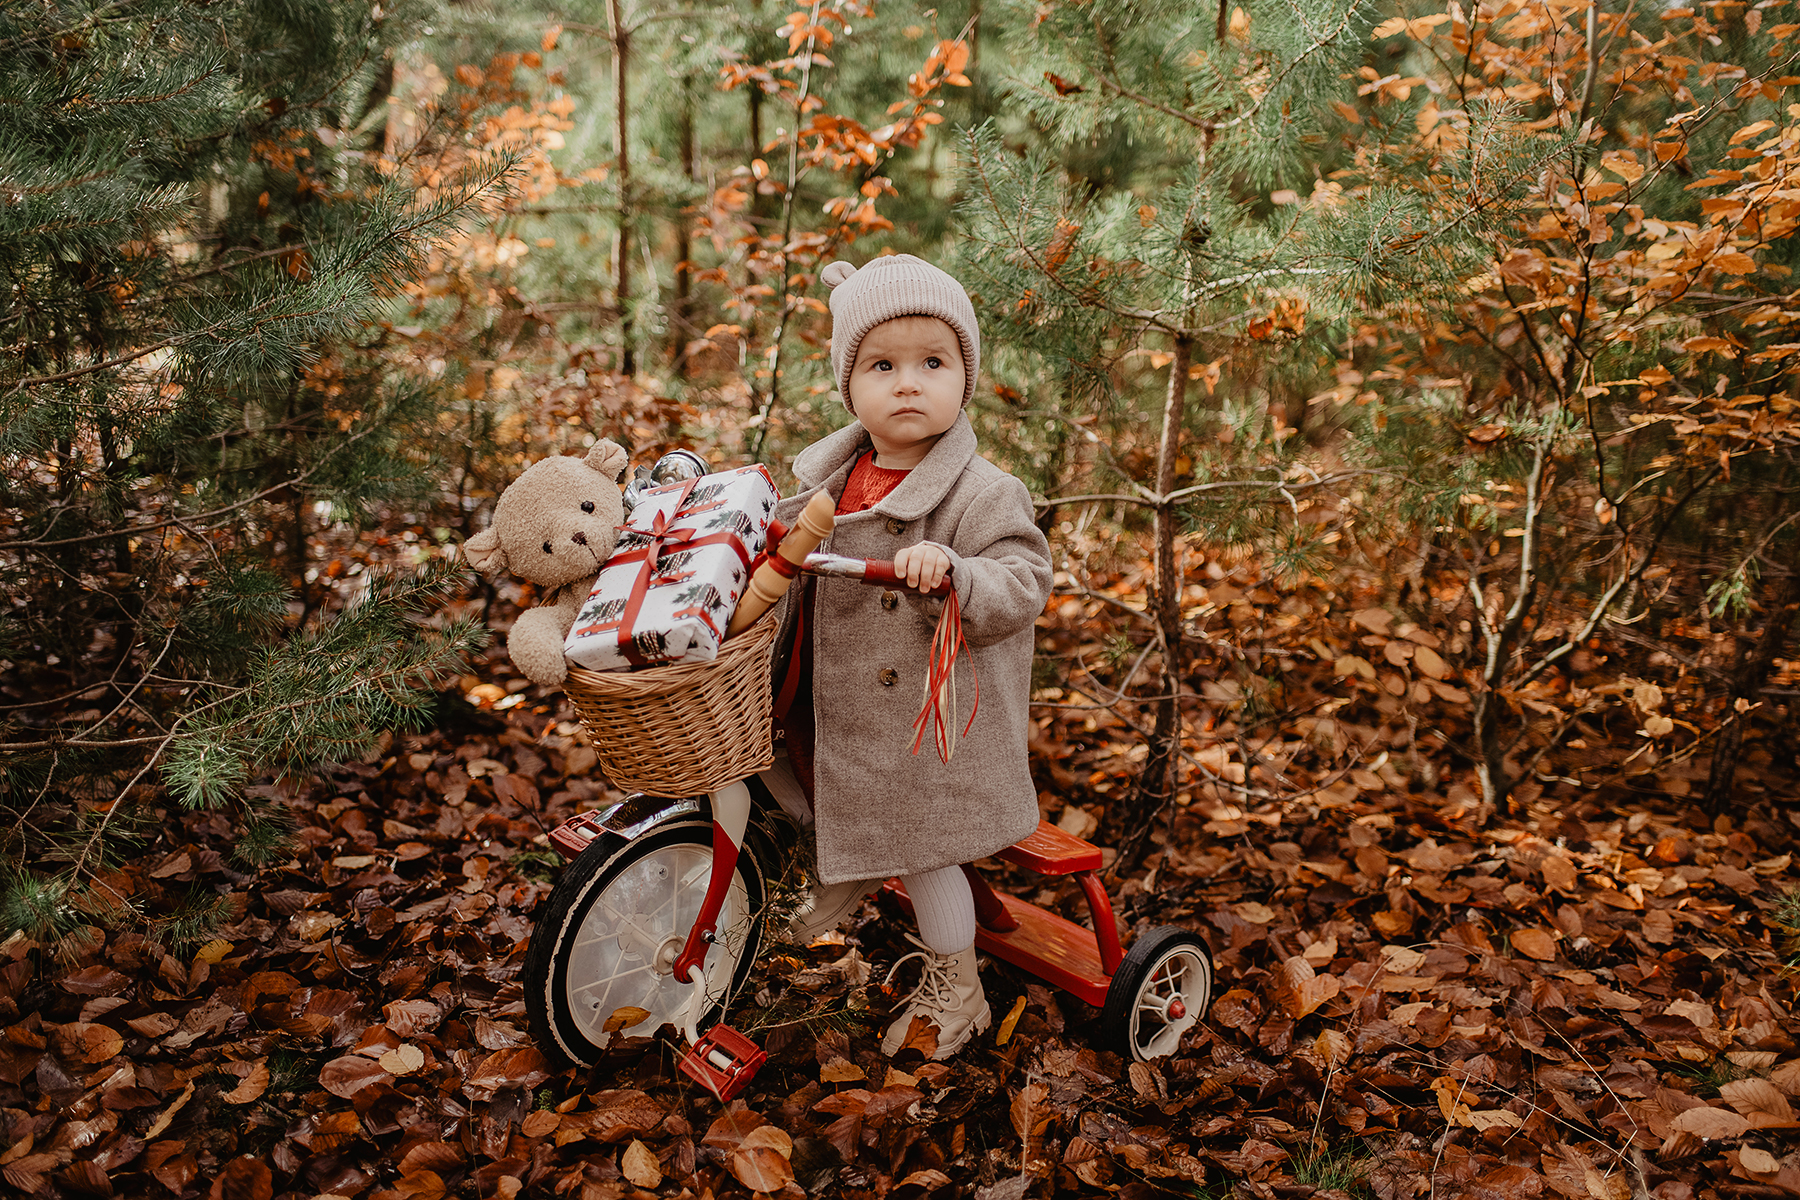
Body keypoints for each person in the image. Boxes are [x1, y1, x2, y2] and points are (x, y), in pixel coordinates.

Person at [759, 254, 1053, 1059]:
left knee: (924, 849)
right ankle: (839, 858)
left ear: (966, 378)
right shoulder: (834, 477)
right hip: (827, 701)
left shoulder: (983, 493)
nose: (909, 383)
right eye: (882, 365)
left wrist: (957, 572)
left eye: (934, 362)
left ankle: (958, 988)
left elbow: (1025, 580)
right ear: (849, 385)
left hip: (925, 728)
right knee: (779, 775)